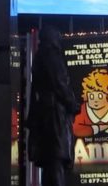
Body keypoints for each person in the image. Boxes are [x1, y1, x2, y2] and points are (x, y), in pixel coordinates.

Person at [27, 26, 80, 186]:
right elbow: (60, 83)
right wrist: (72, 103)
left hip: (46, 113)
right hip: (54, 114)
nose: (60, 40)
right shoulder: (50, 55)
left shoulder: (40, 56)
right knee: (56, 159)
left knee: (52, 163)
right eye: (57, 37)